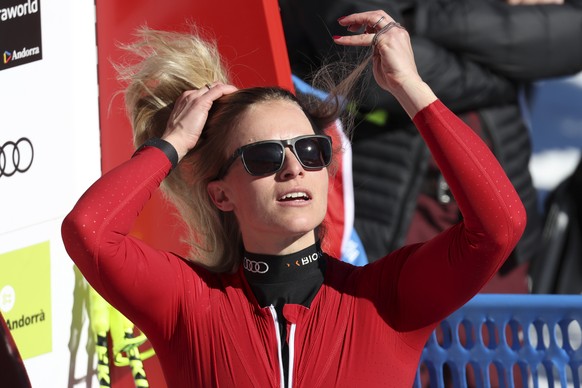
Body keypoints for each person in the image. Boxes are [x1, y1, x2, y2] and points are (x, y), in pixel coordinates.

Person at [61, 10, 526, 387]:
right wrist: (175, 143)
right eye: (263, 157)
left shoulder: (386, 300)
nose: (293, 167)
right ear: (221, 195)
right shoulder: (191, 304)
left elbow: (499, 227)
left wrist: (412, 88)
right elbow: (90, 232)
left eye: (310, 150)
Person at [279, 0, 582, 292]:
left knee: (497, 339)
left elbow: (569, 34)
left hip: (501, 226)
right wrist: (504, 76)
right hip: (389, 217)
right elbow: (369, 68)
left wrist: (418, 17)